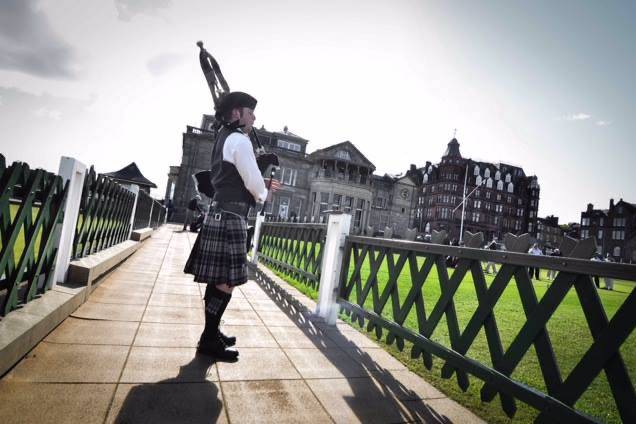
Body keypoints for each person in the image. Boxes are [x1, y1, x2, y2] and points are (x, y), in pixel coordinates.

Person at [184, 91, 271, 361]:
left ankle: (211, 333)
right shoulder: (239, 139)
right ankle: (209, 339)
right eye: (250, 112)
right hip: (230, 216)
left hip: (221, 212)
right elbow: (253, 182)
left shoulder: (224, 136)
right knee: (226, 282)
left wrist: (257, 178)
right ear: (236, 113)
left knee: (219, 280)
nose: (254, 117)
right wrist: (264, 192)